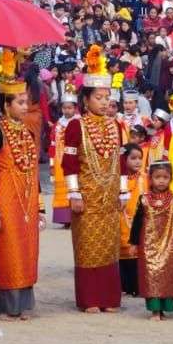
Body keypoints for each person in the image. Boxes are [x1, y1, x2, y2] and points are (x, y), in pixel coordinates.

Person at [62, 46, 127, 312]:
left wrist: (124, 192)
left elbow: (122, 162)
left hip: (110, 196)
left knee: (110, 247)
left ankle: (110, 298)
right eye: (98, 97)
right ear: (85, 99)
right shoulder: (76, 125)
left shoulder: (115, 125)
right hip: (87, 196)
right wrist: (74, 193)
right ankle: (90, 299)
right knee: (88, 246)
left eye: (107, 97)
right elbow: (69, 162)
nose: (103, 102)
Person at [0, 54, 43, 321]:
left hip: (27, 199)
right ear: (6, 105)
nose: (25, 106)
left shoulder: (26, 132)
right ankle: (8, 306)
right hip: (5, 198)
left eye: (26, 101)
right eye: (19, 102)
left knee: (28, 250)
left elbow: (35, 172)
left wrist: (40, 206)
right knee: (9, 251)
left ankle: (23, 304)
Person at [127, 161, 173, 320]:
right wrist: (134, 243)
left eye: (165, 177)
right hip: (149, 245)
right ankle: (155, 310)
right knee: (152, 276)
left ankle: (165, 307)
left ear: (171, 179)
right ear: (150, 179)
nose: (161, 180)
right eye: (157, 177)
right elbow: (137, 222)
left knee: (167, 275)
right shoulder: (144, 199)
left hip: (171, 245)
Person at [118, 142, 146, 296]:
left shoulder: (145, 178)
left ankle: (137, 286)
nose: (138, 162)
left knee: (137, 258)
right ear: (123, 160)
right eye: (133, 158)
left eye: (140, 158)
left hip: (138, 224)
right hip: (121, 222)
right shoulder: (116, 180)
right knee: (122, 257)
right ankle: (123, 286)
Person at [50, 88, 79, 226]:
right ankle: (64, 218)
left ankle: (75, 216)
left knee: (75, 187)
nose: (67, 111)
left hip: (75, 160)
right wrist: (51, 162)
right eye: (64, 108)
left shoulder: (80, 123)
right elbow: (52, 144)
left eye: (70, 108)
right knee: (62, 188)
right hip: (59, 161)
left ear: (75, 108)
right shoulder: (57, 125)